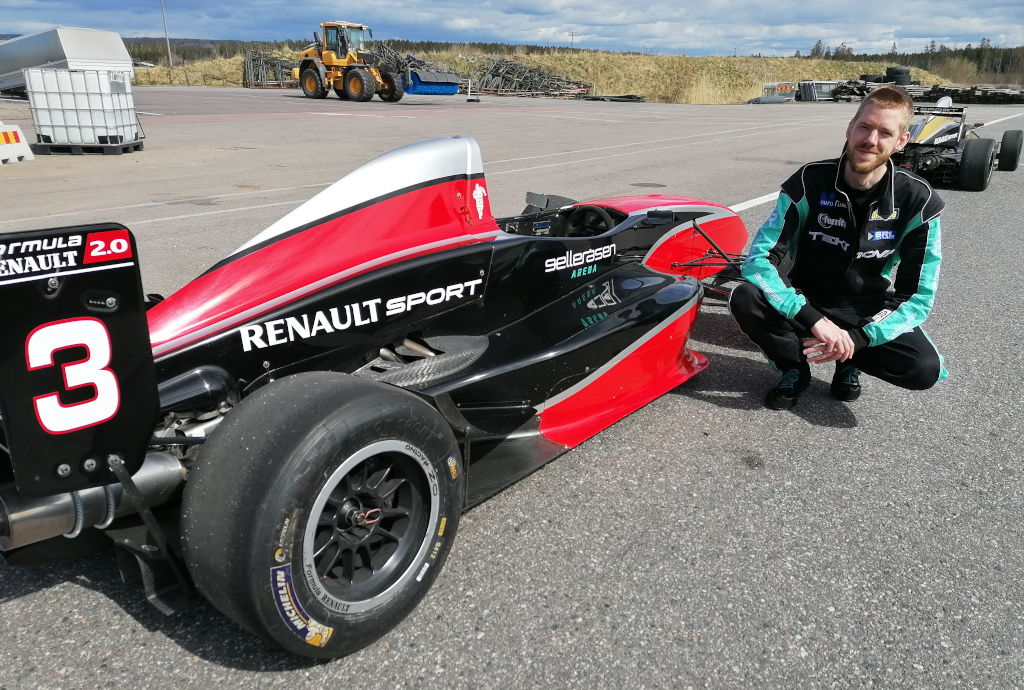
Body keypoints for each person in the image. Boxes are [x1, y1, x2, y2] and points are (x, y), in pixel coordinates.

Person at [730, 85, 946, 410]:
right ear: (850, 128)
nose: (870, 140)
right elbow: (761, 259)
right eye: (865, 127)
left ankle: (850, 360)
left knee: (923, 369)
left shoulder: (919, 201)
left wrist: (859, 339)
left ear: (901, 141)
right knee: (746, 296)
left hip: (866, 308)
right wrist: (813, 318)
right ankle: (793, 366)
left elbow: (917, 297)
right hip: (806, 298)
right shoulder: (808, 181)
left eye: (885, 133)